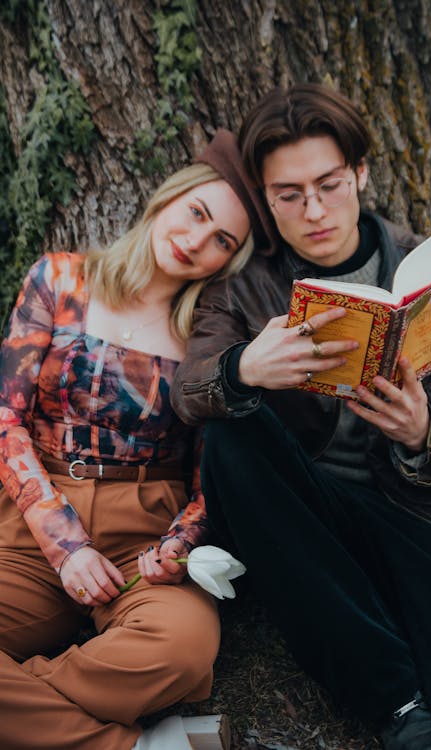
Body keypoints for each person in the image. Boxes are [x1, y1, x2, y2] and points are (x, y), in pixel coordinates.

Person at [170, 84, 431, 750]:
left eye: (329, 184)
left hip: (410, 508)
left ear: (361, 173)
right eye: (289, 195)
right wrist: (243, 369)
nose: (314, 210)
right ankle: (398, 707)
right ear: (264, 200)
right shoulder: (242, 287)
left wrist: (420, 435)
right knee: (232, 436)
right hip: (305, 511)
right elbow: (190, 391)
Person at [0, 129, 274, 750]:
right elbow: (4, 419)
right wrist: (66, 547)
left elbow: (213, 477)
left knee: (184, 649)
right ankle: (142, 745)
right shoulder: (59, 279)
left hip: (143, 541)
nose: (195, 241)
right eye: (196, 214)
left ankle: (21, 701)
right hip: (29, 528)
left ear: (227, 261)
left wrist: (179, 545)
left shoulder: (212, 339)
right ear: (168, 199)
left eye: (221, 242)